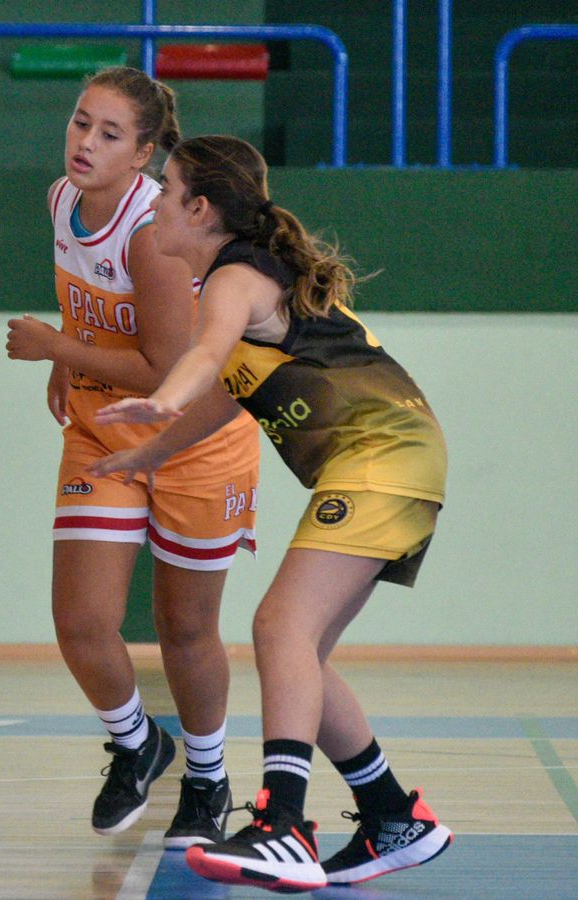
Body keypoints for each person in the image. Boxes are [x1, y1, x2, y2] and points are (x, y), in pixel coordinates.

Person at [89, 134, 452, 892]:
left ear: (199, 209)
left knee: (278, 626)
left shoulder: (234, 277)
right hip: (400, 457)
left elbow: (202, 361)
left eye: (166, 191)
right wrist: (151, 452)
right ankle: (393, 816)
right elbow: (229, 395)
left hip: (382, 454)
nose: (153, 204)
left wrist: (163, 397)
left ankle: (282, 824)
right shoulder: (249, 277)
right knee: (301, 653)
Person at [4, 67, 259, 847]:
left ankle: (209, 780)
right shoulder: (61, 199)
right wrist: (67, 348)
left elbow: (168, 373)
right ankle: (137, 742)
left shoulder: (151, 235)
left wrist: (59, 348)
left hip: (194, 439)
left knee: (185, 628)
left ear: (144, 153)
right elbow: (86, 297)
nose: (85, 142)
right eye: (81, 122)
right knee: (81, 622)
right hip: (101, 428)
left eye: (109, 133)